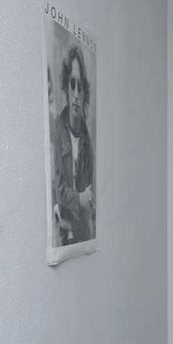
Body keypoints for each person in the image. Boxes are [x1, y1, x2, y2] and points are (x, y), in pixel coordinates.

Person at [53, 46, 95, 245]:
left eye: (80, 87)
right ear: (66, 89)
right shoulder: (57, 131)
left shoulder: (87, 144)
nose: (76, 93)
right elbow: (59, 189)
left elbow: (91, 196)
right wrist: (79, 199)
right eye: (72, 85)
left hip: (83, 236)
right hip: (64, 238)